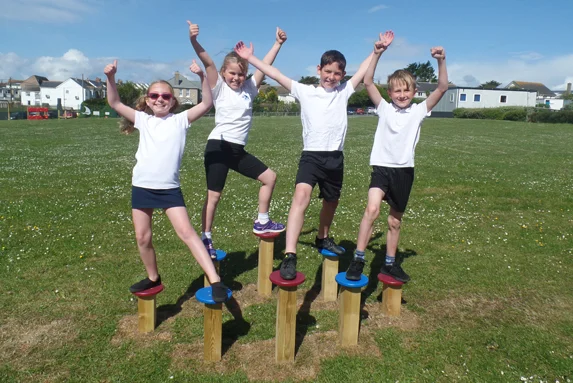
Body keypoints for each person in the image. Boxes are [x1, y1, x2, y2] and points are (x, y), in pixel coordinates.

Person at [234, 33, 392, 280]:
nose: (331, 77)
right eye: (327, 71)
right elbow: (274, 74)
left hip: (335, 159)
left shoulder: (344, 91)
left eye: (337, 73)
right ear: (319, 69)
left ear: (342, 75)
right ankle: (289, 254)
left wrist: (377, 51)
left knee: (331, 202)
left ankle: (322, 237)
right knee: (301, 196)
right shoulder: (304, 91)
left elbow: (363, 70)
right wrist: (250, 57)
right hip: (311, 157)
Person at [104, 59, 228, 302]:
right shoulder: (143, 120)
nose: (160, 99)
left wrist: (202, 77)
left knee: (187, 233)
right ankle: (153, 277)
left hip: (169, 189)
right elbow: (114, 102)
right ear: (148, 100)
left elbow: (207, 102)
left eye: (165, 96)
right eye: (155, 96)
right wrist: (110, 78)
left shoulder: (180, 120)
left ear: (173, 101)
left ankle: (215, 281)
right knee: (143, 237)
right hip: (142, 187)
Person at [345, 33, 449, 282]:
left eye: (406, 90)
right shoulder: (383, 108)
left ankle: (389, 264)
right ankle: (358, 259)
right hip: (381, 168)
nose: (402, 95)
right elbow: (368, 81)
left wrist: (441, 61)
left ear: (414, 91)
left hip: (404, 172)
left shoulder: (419, 111)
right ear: (390, 92)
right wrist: (378, 53)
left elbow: (443, 87)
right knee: (371, 210)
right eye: (397, 91)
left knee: (394, 221)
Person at [187, 21, 288, 258]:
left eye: (241, 73)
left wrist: (277, 44)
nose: (236, 77)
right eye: (232, 73)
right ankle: (206, 238)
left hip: (237, 150)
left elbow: (264, 66)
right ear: (224, 73)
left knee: (269, 178)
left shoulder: (250, 89)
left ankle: (262, 221)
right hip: (218, 147)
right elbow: (208, 61)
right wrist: (193, 40)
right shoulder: (219, 87)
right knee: (214, 195)